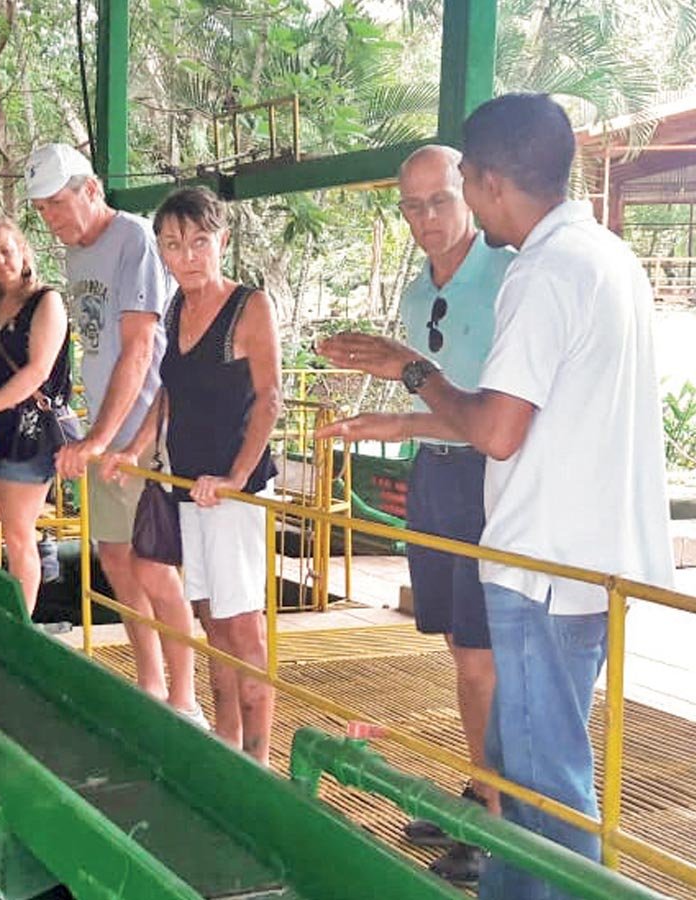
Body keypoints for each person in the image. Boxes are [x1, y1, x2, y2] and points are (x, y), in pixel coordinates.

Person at [317, 94, 674, 900]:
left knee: (549, 790)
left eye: (453, 192)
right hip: (586, 557)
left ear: (482, 182)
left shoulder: (542, 271)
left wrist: (414, 370)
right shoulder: (604, 254)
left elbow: (497, 429)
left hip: (545, 565)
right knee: (530, 777)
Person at [341, 145, 513, 886]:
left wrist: (399, 422)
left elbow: (495, 419)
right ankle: (481, 791)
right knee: (457, 645)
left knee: (483, 656)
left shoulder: (509, 278)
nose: (426, 219)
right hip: (436, 479)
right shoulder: (417, 296)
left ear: (470, 194)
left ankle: (503, 826)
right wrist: (394, 426)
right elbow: (430, 402)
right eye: (412, 207)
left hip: (493, 481)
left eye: (439, 201)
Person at [103, 187, 281, 762]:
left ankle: (257, 760)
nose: (188, 256)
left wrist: (235, 477)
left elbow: (270, 398)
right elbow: (169, 397)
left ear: (221, 241)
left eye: (200, 242)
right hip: (190, 491)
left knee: (243, 630)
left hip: (233, 495)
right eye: (174, 246)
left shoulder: (249, 306)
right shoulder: (178, 306)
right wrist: (135, 449)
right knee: (212, 626)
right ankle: (225, 747)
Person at [25, 143, 201, 722]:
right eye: (42, 209)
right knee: (117, 560)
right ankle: (149, 683)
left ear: (91, 189)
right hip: (104, 429)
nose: (51, 218)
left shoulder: (134, 241)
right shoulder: (77, 256)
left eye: (57, 203)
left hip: (146, 431)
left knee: (155, 566)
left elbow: (140, 345)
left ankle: (186, 697)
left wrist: (104, 438)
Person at [0, 215, 71, 613]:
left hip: (29, 431)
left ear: (22, 250)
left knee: (20, 534)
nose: (1, 261)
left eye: (6, 251)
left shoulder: (47, 301)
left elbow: (38, 369)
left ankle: (20, 623)